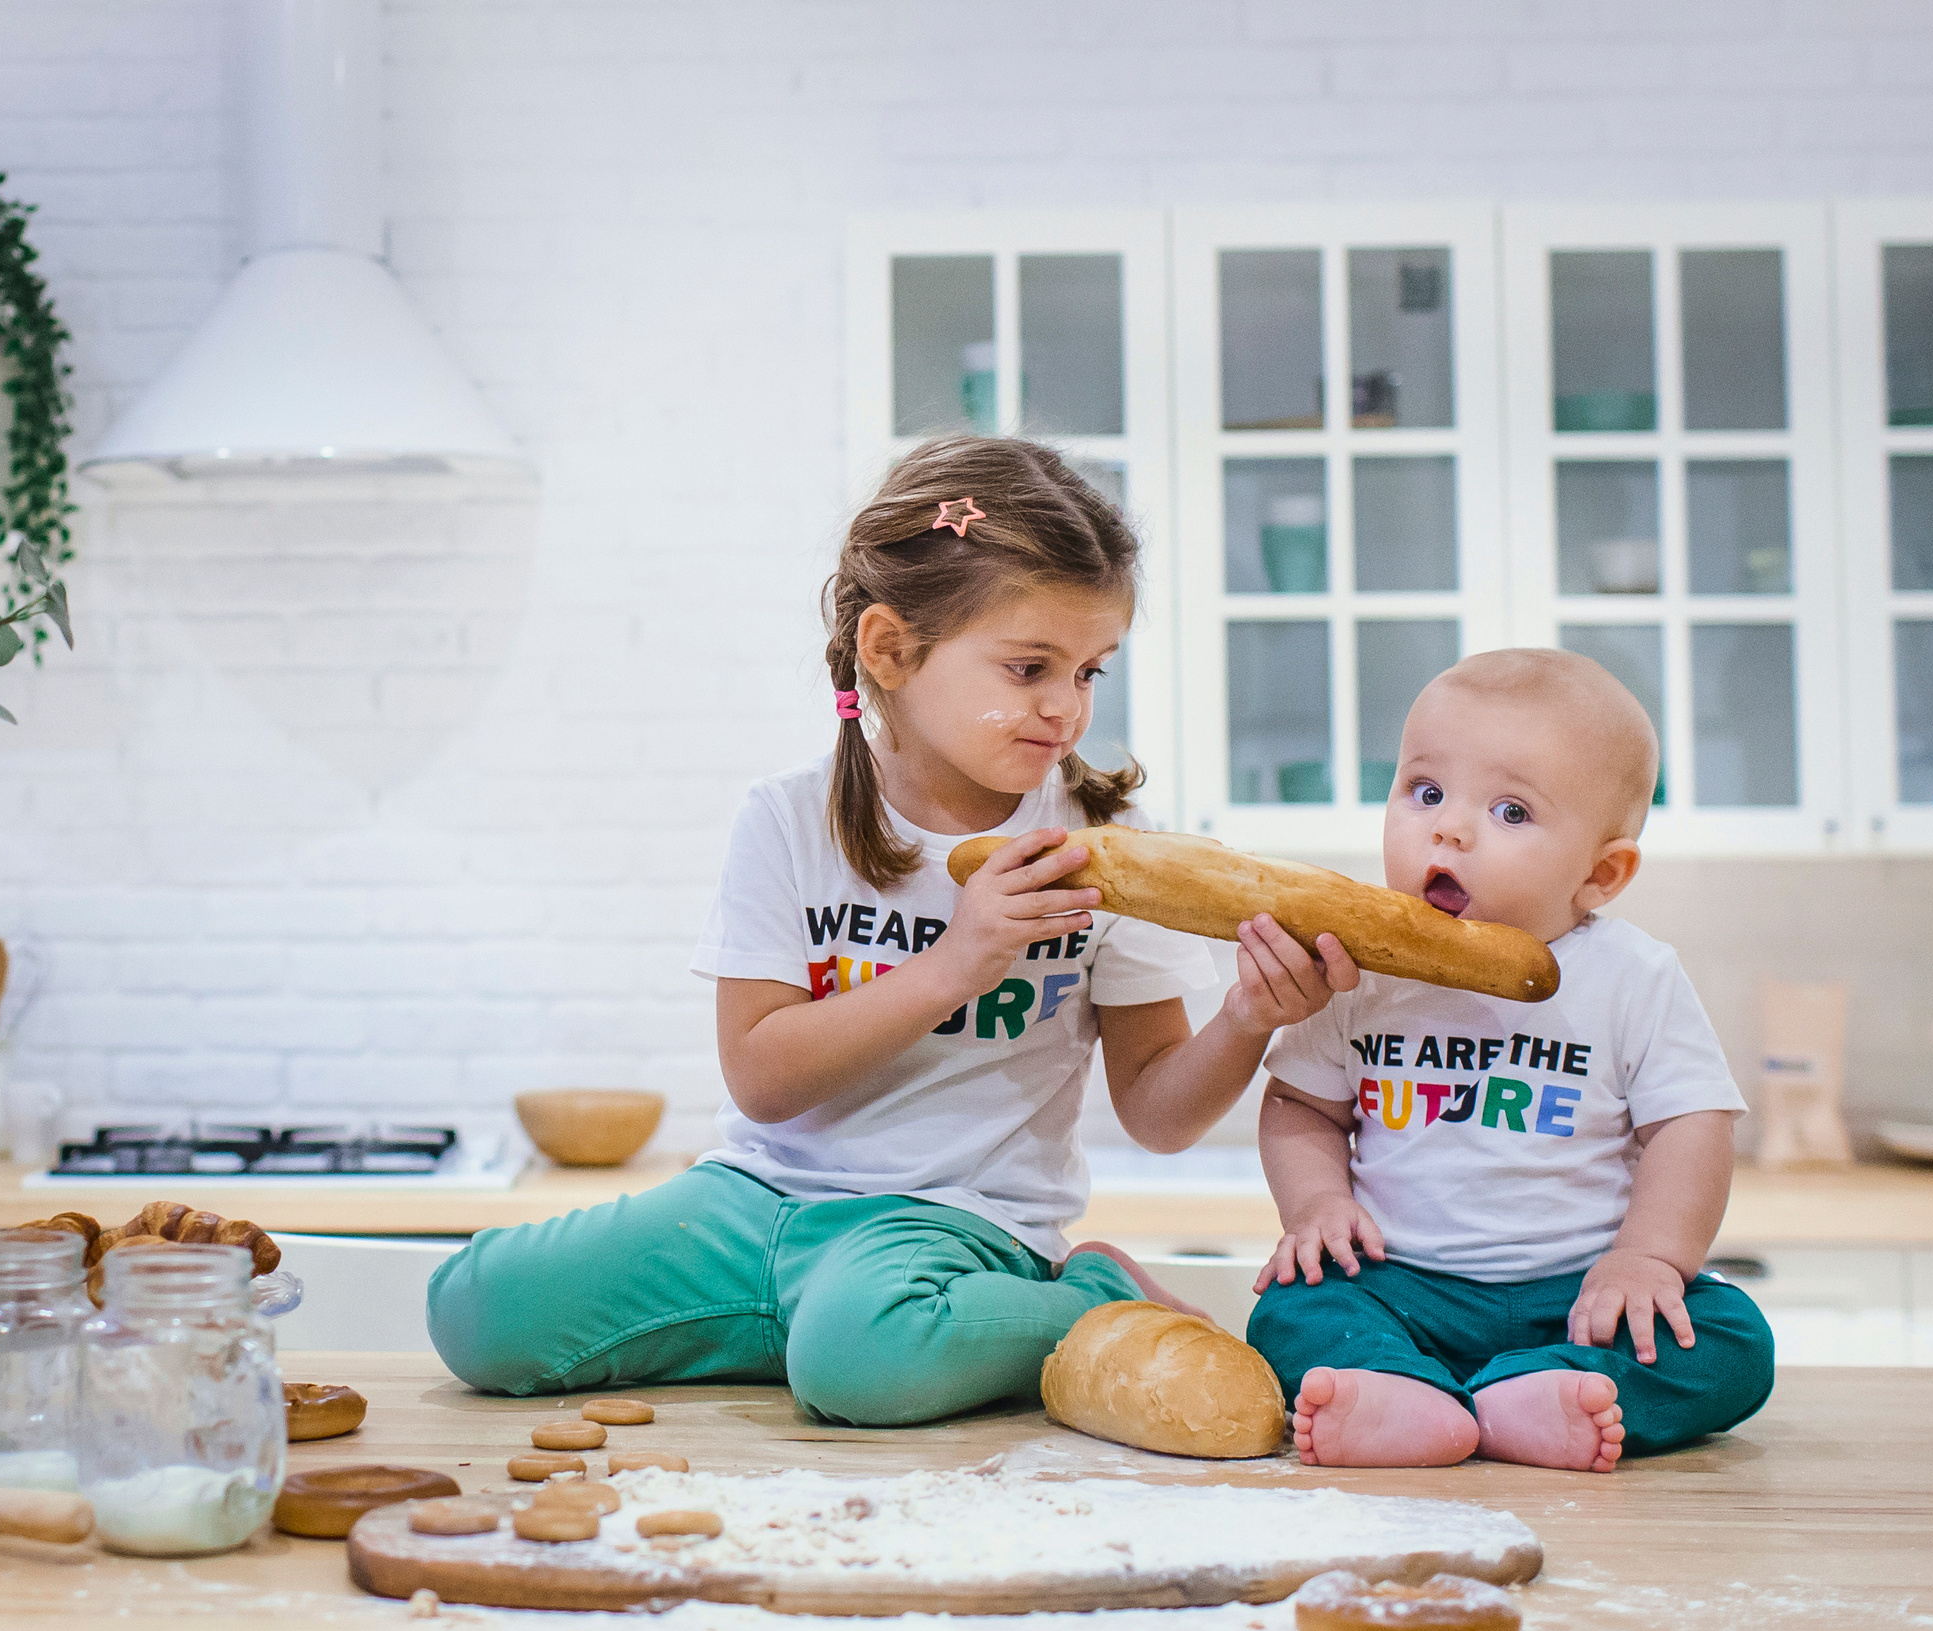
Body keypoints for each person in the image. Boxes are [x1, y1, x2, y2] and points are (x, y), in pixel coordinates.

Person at [427, 436, 1354, 1427]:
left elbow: (1158, 1116)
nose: (1066, 707)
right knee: (476, 1309)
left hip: (953, 1223)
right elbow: (762, 1079)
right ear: (890, 650)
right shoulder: (788, 821)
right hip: (751, 1199)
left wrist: (1248, 1020)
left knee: (862, 1357)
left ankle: (1088, 1295)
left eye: (1089, 671)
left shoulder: (1107, 846)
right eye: (1029, 667)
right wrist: (956, 964)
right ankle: (804, 1327)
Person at [1245, 648, 1775, 1471]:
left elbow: (1691, 1125)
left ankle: (1535, 1390)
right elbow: (1298, 1105)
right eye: (1426, 792)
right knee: (1290, 1308)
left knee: (1733, 1339)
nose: (1449, 828)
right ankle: (1400, 1387)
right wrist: (1316, 1203)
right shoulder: (1358, 968)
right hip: (1401, 1284)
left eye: (1511, 811)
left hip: (1579, 1291)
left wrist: (1649, 1256)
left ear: (1601, 873)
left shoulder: (1634, 976)